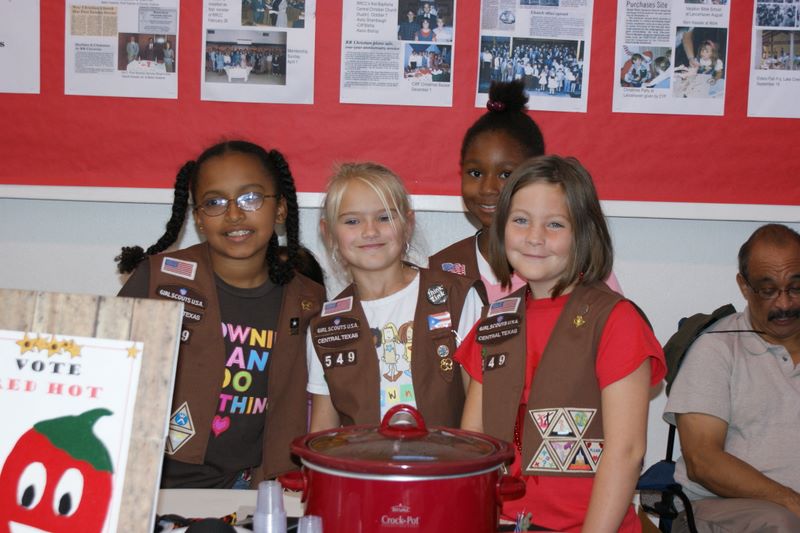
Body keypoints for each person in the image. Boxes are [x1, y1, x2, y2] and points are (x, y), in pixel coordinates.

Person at [457, 155, 666, 532]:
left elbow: (627, 451)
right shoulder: (495, 320)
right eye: (521, 220)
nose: (535, 237)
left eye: (554, 224)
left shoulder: (615, 320)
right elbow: (474, 446)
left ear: (583, 233)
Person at [116, 140, 325, 489]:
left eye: (250, 197)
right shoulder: (157, 280)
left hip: (246, 486)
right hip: (148, 481)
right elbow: (106, 375)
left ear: (280, 210)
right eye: (214, 202)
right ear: (198, 217)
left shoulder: (308, 299)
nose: (234, 214)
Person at [306, 162, 485, 431]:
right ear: (328, 233)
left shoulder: (457, 297)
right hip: (363, 460)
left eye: (384, 217)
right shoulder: (326, 326)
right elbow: (323, 430)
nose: (370, 231)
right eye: (352, 221)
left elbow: (480, 412)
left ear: (407, 224)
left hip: (448, 458)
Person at [429, 81, 622, 303]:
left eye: (506, 175)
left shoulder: (577, 269)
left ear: (535, 175)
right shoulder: (441, 268)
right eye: (475, 173)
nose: (488, 188)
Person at [664, 224, 800, 533]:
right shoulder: (716, 348)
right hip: (722, 508)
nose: (784, 304)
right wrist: (792, 502)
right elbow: (702, 461)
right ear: (744, 287)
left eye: (796, 287)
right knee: (781, 523)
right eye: (768, 290)